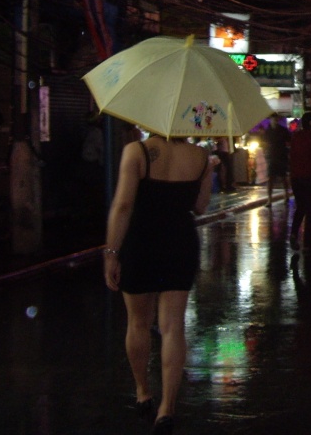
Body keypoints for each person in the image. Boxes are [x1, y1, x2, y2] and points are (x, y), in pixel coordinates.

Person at [104, 133, 213, 432]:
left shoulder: (136, 151)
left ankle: (143, 391)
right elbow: (201, 206)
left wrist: (111, 253)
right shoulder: (201, 157)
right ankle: (167, 407)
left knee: (138, 323)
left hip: (141, 242)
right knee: (173, 327)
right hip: (180, 243)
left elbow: (123, 205)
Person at [288, 112, 311, 251]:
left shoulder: (295, 137)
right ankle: (307, 243)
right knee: (310, 210)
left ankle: (294, 233)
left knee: (300, 206)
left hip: (296, 176)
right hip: (310, 176)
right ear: (310, 123)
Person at [263, 113, 291, 207]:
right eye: (273, 119)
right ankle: (269, 199)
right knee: (270, 178)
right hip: (272, 156)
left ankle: (286, 194)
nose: (275, 120)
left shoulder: (282, 130)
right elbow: (264, 142)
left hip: (281, 156)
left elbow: (289, 140)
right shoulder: (268, 131)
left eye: (276, 119)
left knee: (283, 177)